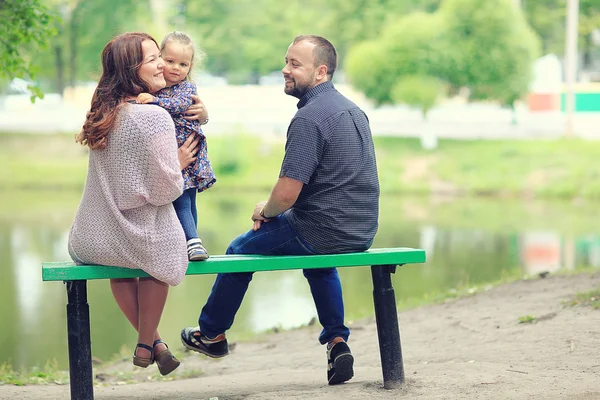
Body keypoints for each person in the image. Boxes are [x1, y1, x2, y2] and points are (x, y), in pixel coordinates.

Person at [181, 35, 380, 386]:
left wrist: (266, 210)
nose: (285, 70)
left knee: (239, 250)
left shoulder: (309, 119)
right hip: (362, 230)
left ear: (321, 72)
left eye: (294, 65)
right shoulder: (353, 110)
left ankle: (211, 334)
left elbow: (287, 194)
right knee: (319, 262)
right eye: (286, 61)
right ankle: (337, 339)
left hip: (321, 229)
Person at [68, 32, 203, 376]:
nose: (163, 65)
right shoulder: (153, 117)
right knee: (166, 253)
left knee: (125, 265)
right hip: (134, 235)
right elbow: (166, 191)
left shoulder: (106, 112)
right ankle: (146, 342)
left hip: (92, 238)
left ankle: (156, 344)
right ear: (132, 69)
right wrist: (178, 163)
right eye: (153, 59)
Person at [137, 31, 215, 261]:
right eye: (170, 61)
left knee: (186, 199)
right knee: (183, 199)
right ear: (160, 57)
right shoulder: (154, 86)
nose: (175, 68)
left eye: (183, 64)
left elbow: (179, 105)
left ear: (190, 68)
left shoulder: (186, 89)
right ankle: (190, 242)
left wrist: (155, 101)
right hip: (172, 153)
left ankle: (193, 242)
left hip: (187, 153)